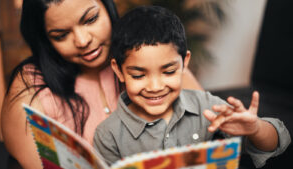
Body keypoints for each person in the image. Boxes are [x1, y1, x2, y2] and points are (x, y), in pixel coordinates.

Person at [0, 0, 202, 168]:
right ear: (46, 40)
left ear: (108, 7)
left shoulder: (147, 50)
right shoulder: (30, 88)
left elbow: (205, 128)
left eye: (90, 19)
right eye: (61, 35)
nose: (82, 40)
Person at [93, 6, 291, 167]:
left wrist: (255, 129)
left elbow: (277, 144)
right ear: (118, 71)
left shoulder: (205, 106)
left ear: (184, 62)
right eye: (138, 75)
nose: (155, 87)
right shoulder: (108, 135)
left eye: (169, 71)